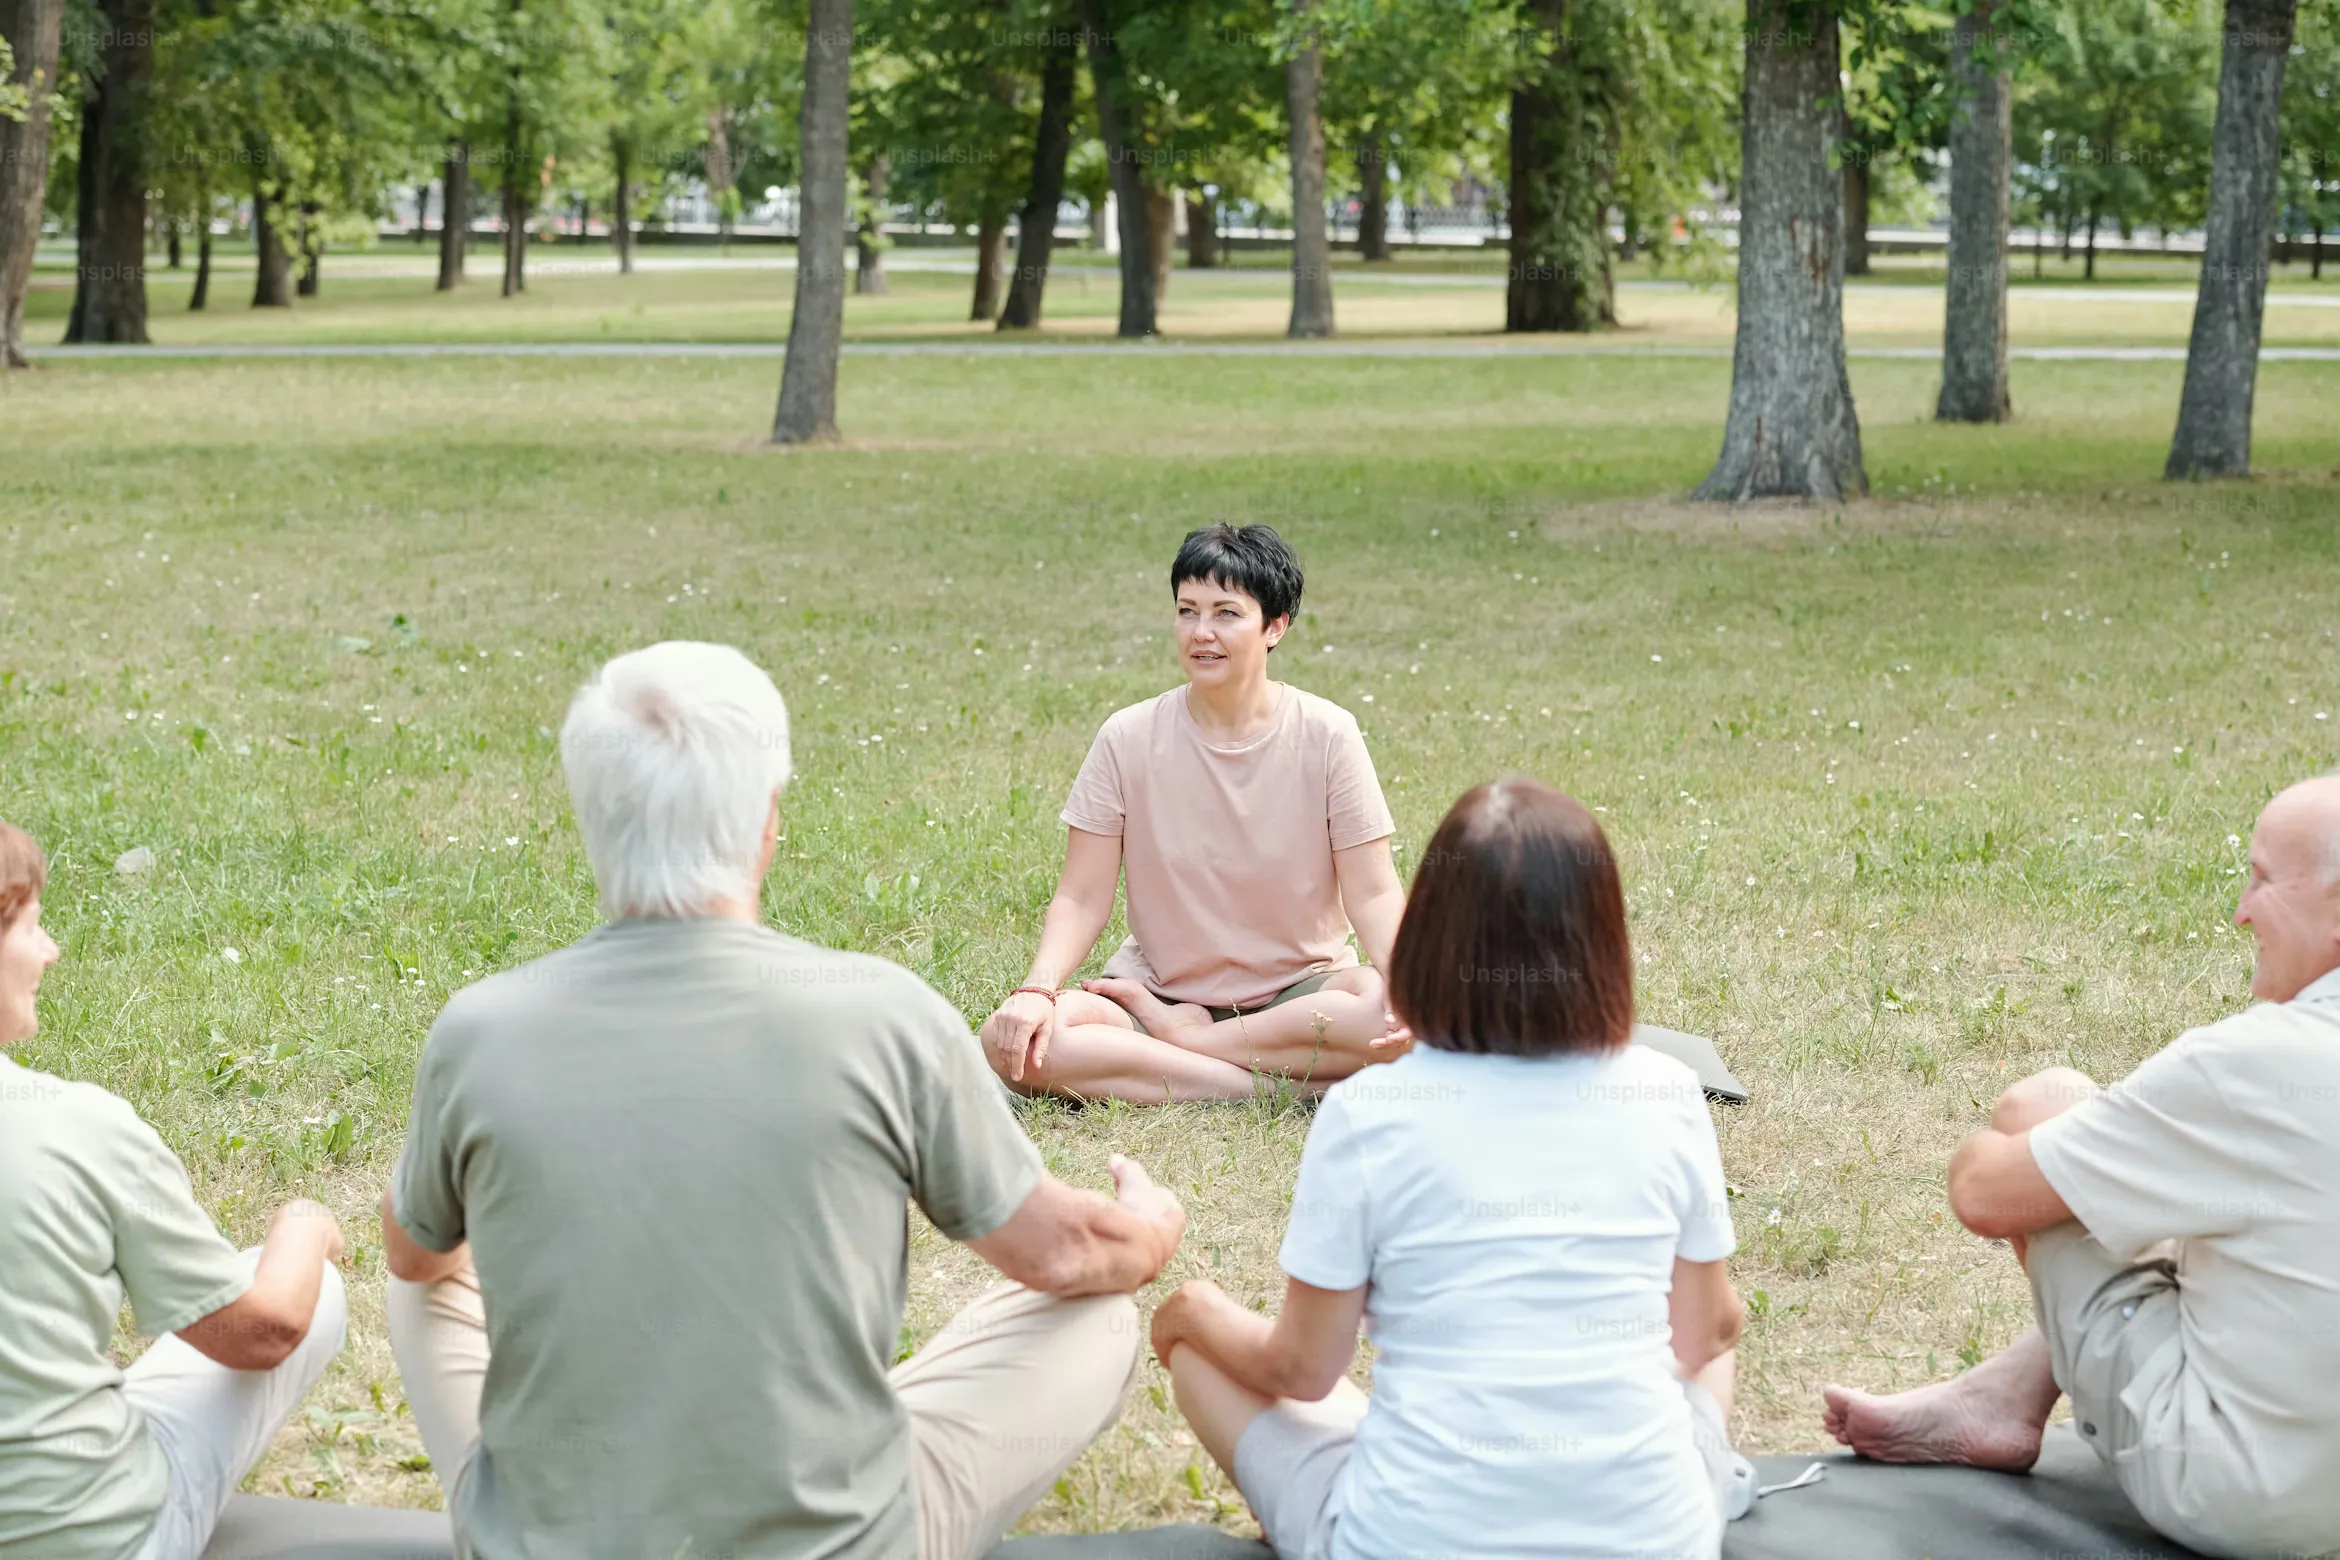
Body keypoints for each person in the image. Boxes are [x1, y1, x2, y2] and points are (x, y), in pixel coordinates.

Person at [380, 641, 1188, 1560]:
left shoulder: (479, 1028)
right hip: (840, 1541)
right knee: (1097, 1308)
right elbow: (1064, 1252)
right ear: (767, 822)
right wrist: (1151, 1225)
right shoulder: (884, 1016)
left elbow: (412, 1256)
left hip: (547, 1539)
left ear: (590, 816)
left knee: (425, 1278)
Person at [1149, 779, 1752, 1560]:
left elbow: (1300, 1369)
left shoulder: (1369, 1112)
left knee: (1206, 1357)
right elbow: (1708, 1332)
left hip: (1405, 1538)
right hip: (1655, 1536)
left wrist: (1191, 1309)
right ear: (1602, 937)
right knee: (1711, 1331)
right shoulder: (1666, 1094)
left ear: (1430, 938)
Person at [1822, 774, 2340, 1560]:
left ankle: (2001, 1402)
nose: (2239, 908)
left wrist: (1995, 1140)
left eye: (2263, 879)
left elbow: (1984, 1195)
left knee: (2046, 1106)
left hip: (2256, 1508)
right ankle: (2003, 1392)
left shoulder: (2259, 1061)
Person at [0, 818, 348, 1560]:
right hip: (92, 1537)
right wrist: (305, 1225)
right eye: (32, 926)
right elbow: (262, 1334)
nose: (51, 950)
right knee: (308, 1290)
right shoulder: (77, 1127)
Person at [980, 523, 1408, 1104]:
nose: (1201, 633)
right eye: (1187, 611)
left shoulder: (1328, 734)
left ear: (1275, 626)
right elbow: (1082, 895)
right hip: (1159, 992)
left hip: (1301, 996)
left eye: (1227, 613)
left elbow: (1375, 893)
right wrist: (1037, 989)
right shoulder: (1127, 736)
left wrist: (1412, 994)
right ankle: (1266, 1089)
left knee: (1392, 1020)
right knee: (1016, 1044)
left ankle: (1184, 1051)